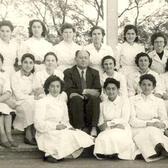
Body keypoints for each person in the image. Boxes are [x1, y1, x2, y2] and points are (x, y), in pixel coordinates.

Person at [34, 75, 94, 163]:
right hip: (46, 130)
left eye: (58, 86)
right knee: (59, 136)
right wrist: (55, 127)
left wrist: (69, 127)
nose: (55, 89)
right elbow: (38, 124)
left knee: (78, 134)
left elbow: (65, 121)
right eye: (52, 86)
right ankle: (50, 154)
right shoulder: (42, 102)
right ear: (47, 88)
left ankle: (59, 154)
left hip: (61, 129)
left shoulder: (62, 103)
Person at [94, 78, 135, 160]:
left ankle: (115, 152)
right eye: (108, 89)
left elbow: (124, 119)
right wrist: (112, 124)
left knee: (116, 136)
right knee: (101, 138)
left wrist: (109, 123)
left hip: (122, 128)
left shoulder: (125, 101)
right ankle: (108, 153)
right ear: (104, 90)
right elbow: (100, 123)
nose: (111, 91)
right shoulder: (102, 104)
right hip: (107, 129)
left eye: (113, 89)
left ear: (118, 90)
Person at [130, 74, 168, 162]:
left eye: (149, 85)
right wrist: (150, 123)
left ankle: (154, 151)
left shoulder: (159, 101)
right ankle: (159, 149)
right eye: (143, 84)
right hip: (138, 128)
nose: (146, 87)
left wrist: (162, 124)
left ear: (153, 87)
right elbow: (132, 120)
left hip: (155, 127)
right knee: (150, 130)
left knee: (152, 130)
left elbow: (165, 119)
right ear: (139, 85)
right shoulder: (132, 100)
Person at [64, 50, 101, 137]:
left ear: (89, 59)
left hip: (90, 100)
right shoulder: (68, 72)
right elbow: (69, 89)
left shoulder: (94, 73)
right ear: (75, 59)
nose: (83, 60)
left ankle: (93, 127)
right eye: (80, 58)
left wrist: (82, 93)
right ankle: (79, 128)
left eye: (85, 58)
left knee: (95, 99)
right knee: (76, 99)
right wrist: (86, 91)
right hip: (76, 100)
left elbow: (97, 91)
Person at [11, 53, 36, 145]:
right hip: (17, 101)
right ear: (21, 63)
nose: (28, 65)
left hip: (30, 100)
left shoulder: (34, 77)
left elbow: (35, 91)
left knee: (35, 104)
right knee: (29, 105)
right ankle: (28, 133)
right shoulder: (15, 76)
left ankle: (36, 131)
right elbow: (18, 95)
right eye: (25, 62)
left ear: (33, 65)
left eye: (30, 63)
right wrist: (31, 96)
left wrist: (32, 96)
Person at [0, 53, 17, 148]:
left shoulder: (4, 75)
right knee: (1, 109)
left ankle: (9, 135)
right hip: (2, 100)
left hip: (2, 99)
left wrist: (3, 98)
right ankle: (2, 135)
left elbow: (8, 92)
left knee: (6, 108)